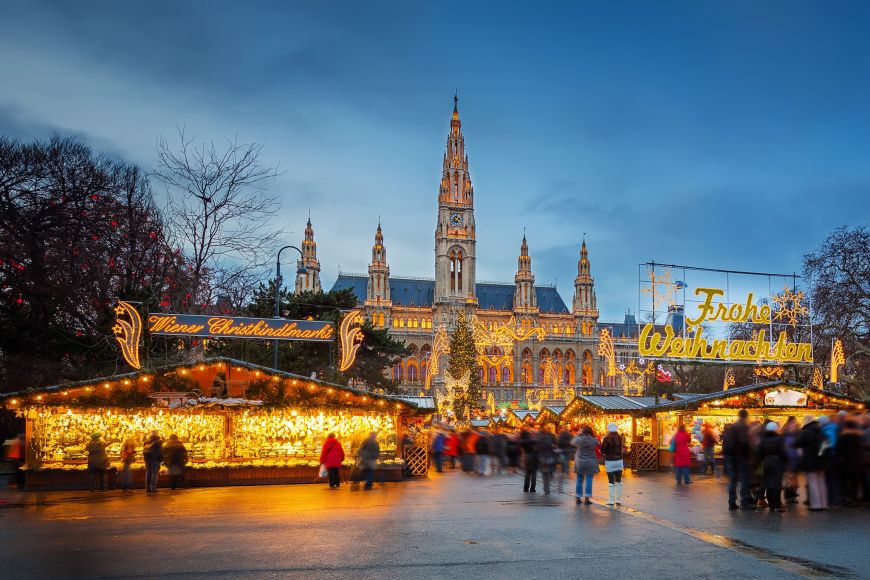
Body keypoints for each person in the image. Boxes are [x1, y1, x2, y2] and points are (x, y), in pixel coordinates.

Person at [796, 415, 828, 511]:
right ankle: (823, 504)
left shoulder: (805, 432)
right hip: (821, 460)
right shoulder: (821, 432)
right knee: (821, 482)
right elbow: (825, 445)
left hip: (810, 461)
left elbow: (797, 443)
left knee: (813, 482)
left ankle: (816, 505)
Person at [722, 409, 753, 511]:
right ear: (746, 416)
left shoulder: (733, 426)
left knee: (733, 481)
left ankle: (731, 502)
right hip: (741, 457)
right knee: (744, 480)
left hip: (731, 457)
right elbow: (746, 442)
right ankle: (744, 502)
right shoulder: (744, 426)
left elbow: (726, 443)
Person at [758, 421, 787, 512]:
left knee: (768, 483)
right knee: (777, 484)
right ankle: (777, 504)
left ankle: (771, 505)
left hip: (767, 461)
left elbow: (760, 452)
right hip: (777, 462)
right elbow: (783, 451)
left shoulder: (763, 439)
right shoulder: (780, 439)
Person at [836, 419, 864, 506]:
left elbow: (838, 449)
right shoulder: (858, 436)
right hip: (857, 461)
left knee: (846, 481)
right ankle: (855, 499)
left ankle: (848, 499)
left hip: (846, 461)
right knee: (855, 481)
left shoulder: (843, 436)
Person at [572, 426, 599, 505]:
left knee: (579, 479)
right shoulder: (594, 440)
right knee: (589, 480)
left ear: (582, 432)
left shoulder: (579, 439)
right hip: (591, 462)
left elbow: (572, 442)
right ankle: (587, 499)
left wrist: (578, 434)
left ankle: (578, 498)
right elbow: (598, 443)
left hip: (580, 462)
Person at [599, 423, 624, 507]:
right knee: (619, 480)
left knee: (611, 481)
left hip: (610, 461)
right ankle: (618, 499)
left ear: (608, 429)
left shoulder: (606, 438)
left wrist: (603, 452)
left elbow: (602, 451)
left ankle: (611, 500)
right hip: (619, 460)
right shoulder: (620, 437)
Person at [781, 417, 801, 504]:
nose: (794, 427)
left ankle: (793, 495)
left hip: (795, 460)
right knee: (788, 478)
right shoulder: (784, 437)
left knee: (794, 478)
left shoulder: (797, 436)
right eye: (792, 426)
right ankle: (789, 496)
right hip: (787, 460)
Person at [537, 430, 557, 495]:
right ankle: (547, 488)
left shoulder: (540, 439)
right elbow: (554, 448)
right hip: (550, 457)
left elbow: (538, 449)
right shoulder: (551, 438)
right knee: (548, 473)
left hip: (542, 458)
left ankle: (546, 489)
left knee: (544, 474)